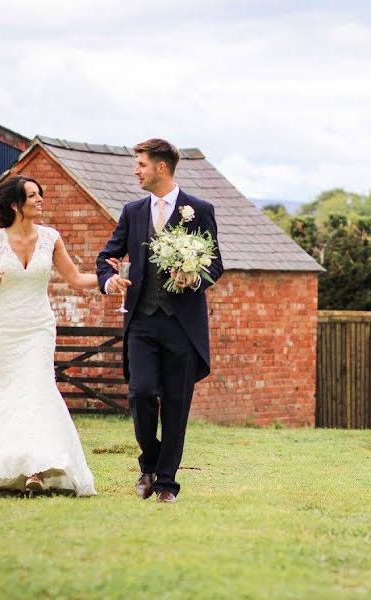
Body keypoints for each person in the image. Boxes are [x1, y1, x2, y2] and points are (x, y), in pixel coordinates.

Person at [0, 175, 102, 496]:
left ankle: (36, 470)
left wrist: (110, 279)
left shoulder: (51, 238)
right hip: (5, 328)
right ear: (15, 205)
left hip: (39, 326)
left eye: (40, 194)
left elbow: (77, 279)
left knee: (38, 386)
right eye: (33, 196)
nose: (40, 200)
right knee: (9, 389)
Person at [97, 138, 223, 503]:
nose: (136, 171)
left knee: (176, 403)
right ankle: (148, 463)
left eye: (141, 165)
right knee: (140, 393)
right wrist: (108, 279)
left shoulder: (199, 209)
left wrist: (194, 277)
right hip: (142, 321)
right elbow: (108, 255)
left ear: (161, 167)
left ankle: (166, 483)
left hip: (182, 325)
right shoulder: (133, 211)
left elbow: (215, 264)